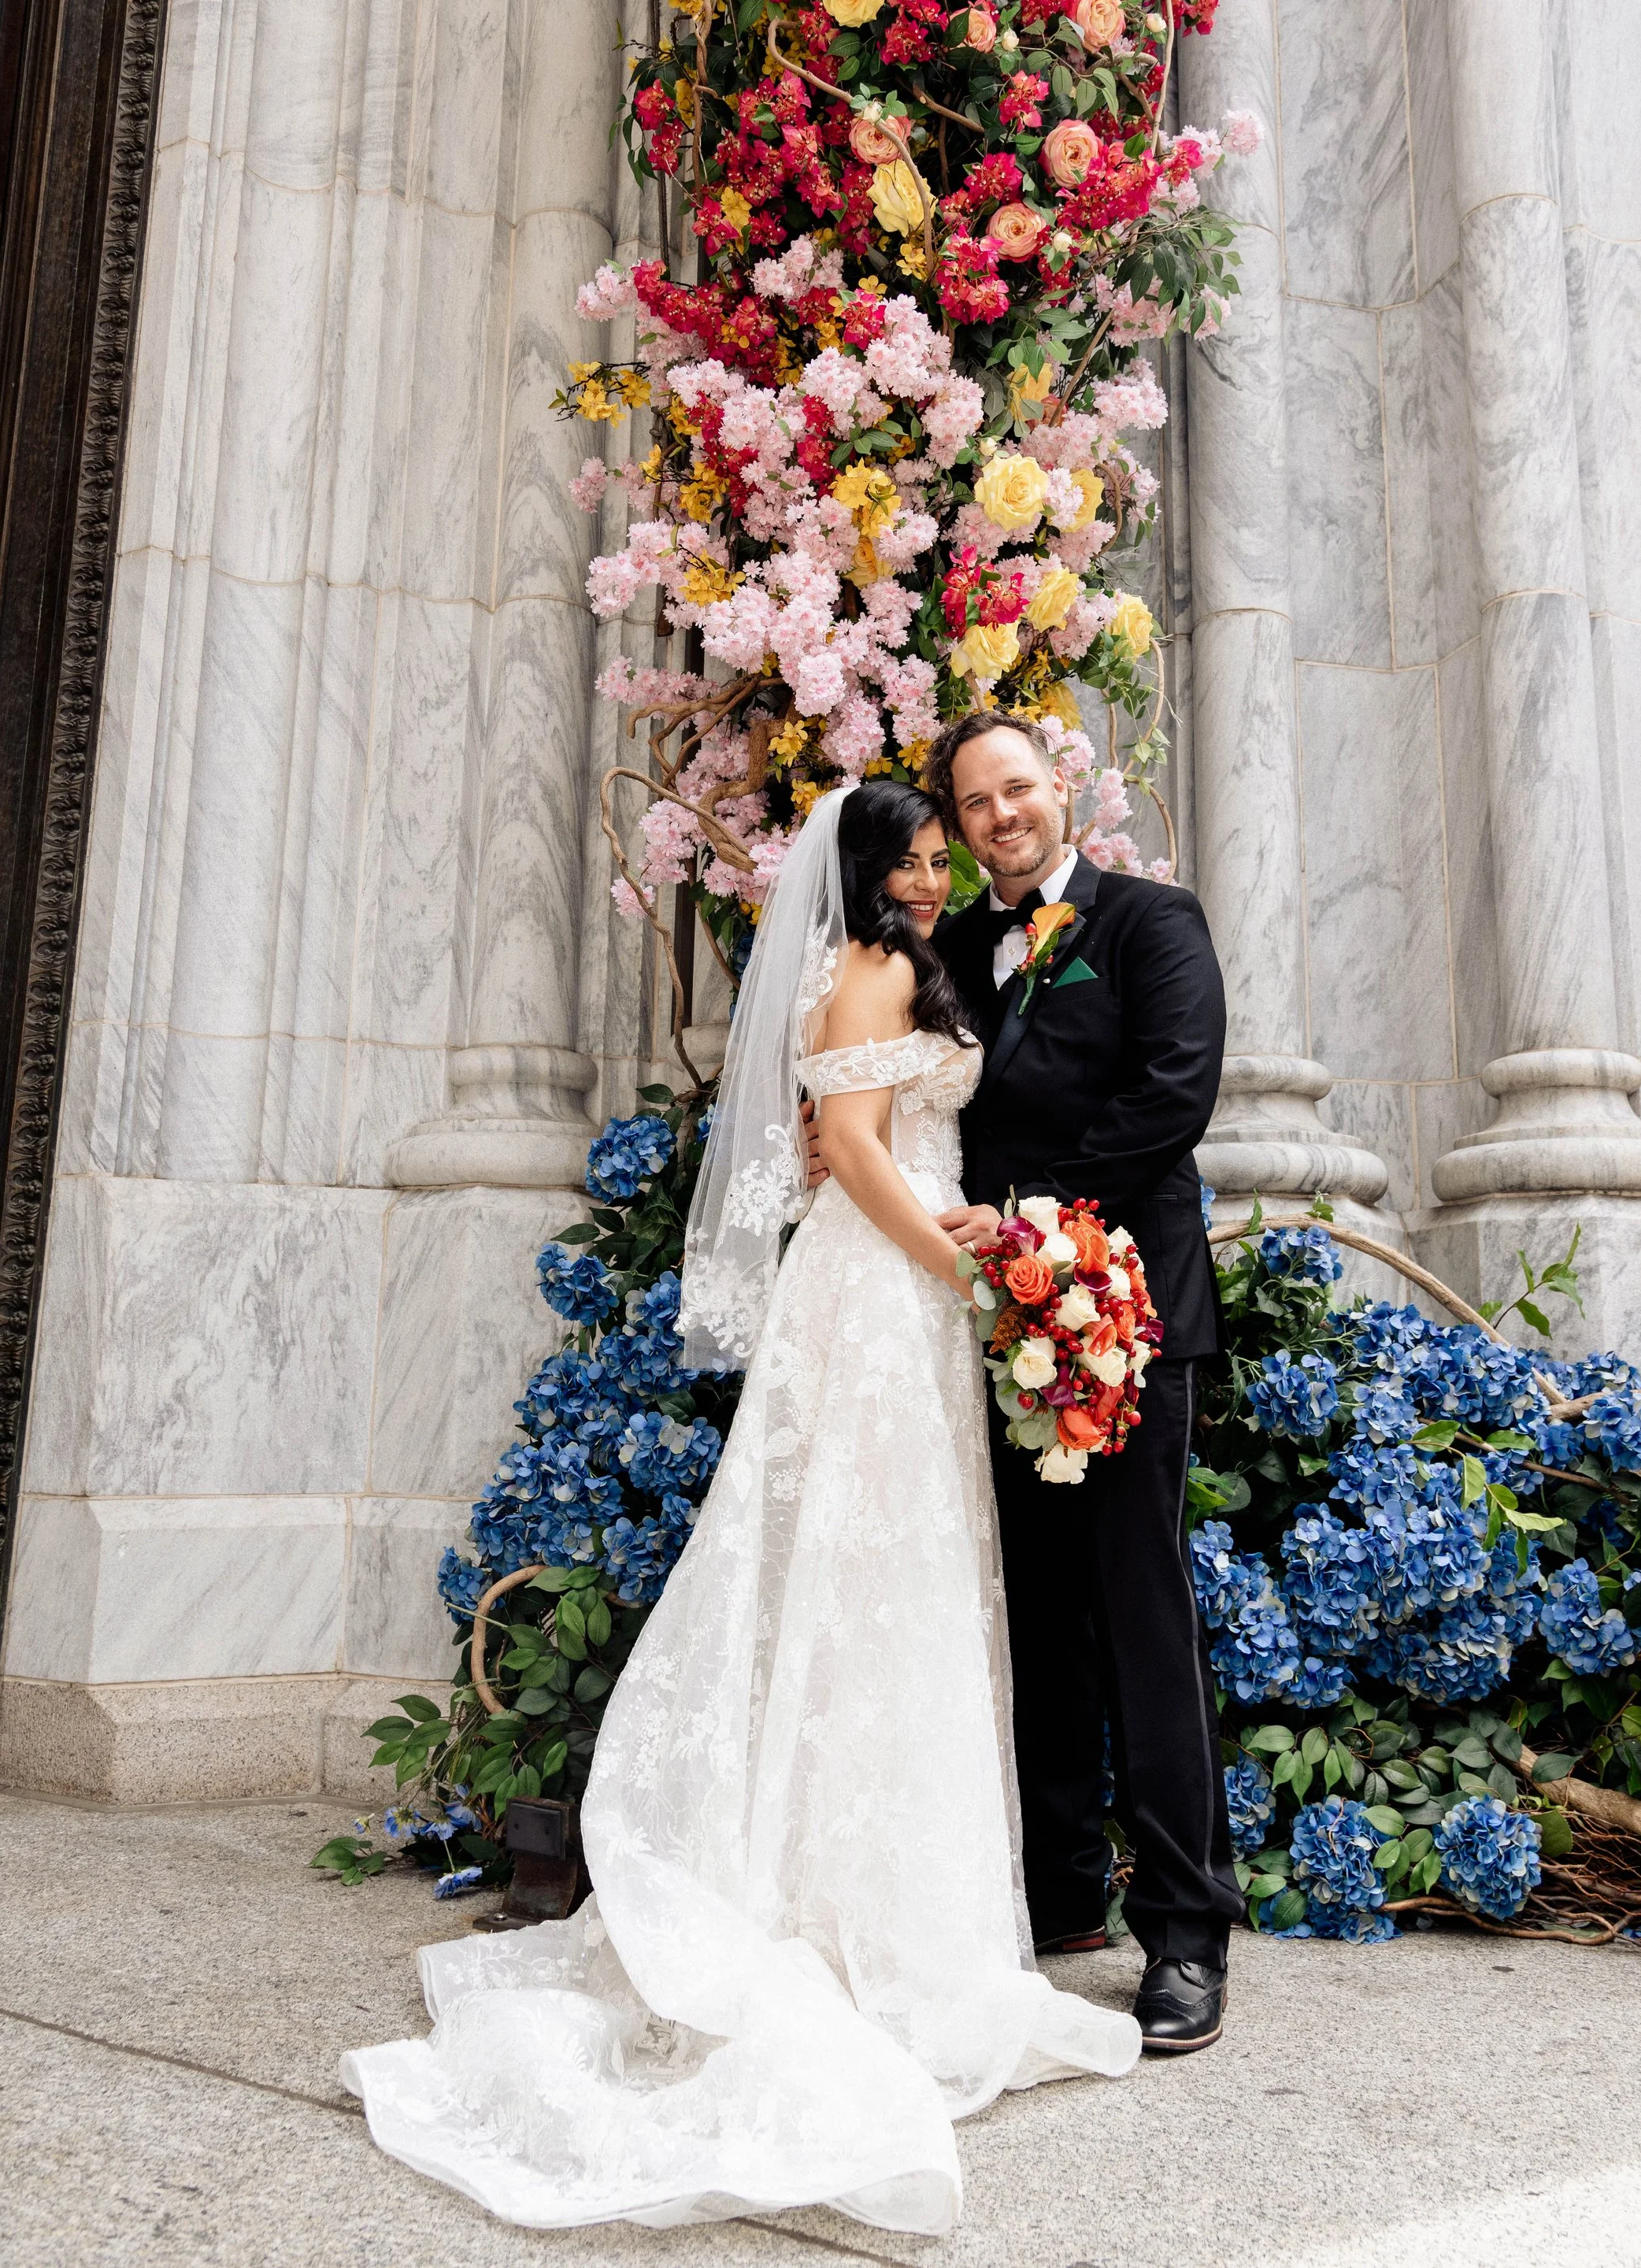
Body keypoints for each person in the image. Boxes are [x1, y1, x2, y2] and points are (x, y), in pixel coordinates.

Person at [340, 780, 1138, 2236]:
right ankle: (837, 1914)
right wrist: (974, 1276)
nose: (932, 863)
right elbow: (857, 1152)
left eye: (936, 845)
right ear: (866, 866)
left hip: (894, 1283)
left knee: (876, 1582)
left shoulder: (883, 961)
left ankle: (863, 1891)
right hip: (885, 1287)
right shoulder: (880, 966)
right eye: (912, 846)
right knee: (866, 1581)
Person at [926, 710, 1243, 2055]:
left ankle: (1187, 1928)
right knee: (1037, 1616)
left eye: (1019, 788)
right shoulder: (946, 951)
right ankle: (1060, 1892)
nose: (1004, 814)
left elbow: (1174, 1097)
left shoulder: (1151, 924)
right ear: (959, 828)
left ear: (1063, 789)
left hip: (1126, 1315)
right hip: (998, 1326)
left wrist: (1029, 1222)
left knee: (1138, 1614)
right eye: (977, 803)